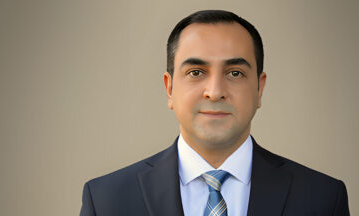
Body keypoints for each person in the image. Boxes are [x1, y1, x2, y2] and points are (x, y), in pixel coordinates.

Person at [80, 10, 350, 216]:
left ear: (259, 88)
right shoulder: (106, 200)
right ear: (170, 88)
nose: (215, 91)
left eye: (235, 73)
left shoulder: (323, 198)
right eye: (196, 72)